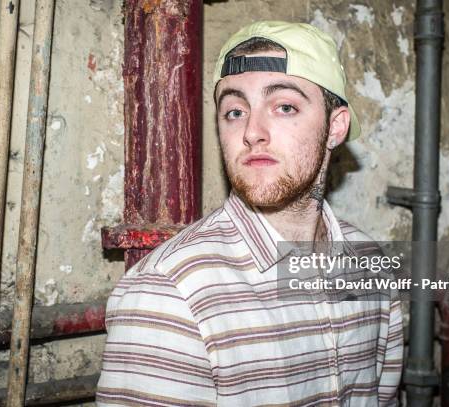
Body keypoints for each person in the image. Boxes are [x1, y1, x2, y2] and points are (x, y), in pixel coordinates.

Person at [97, 21, 403, 406]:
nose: (252, 132)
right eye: (235, 111)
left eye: (285, 107)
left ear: (335, 127)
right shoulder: (169, 295)